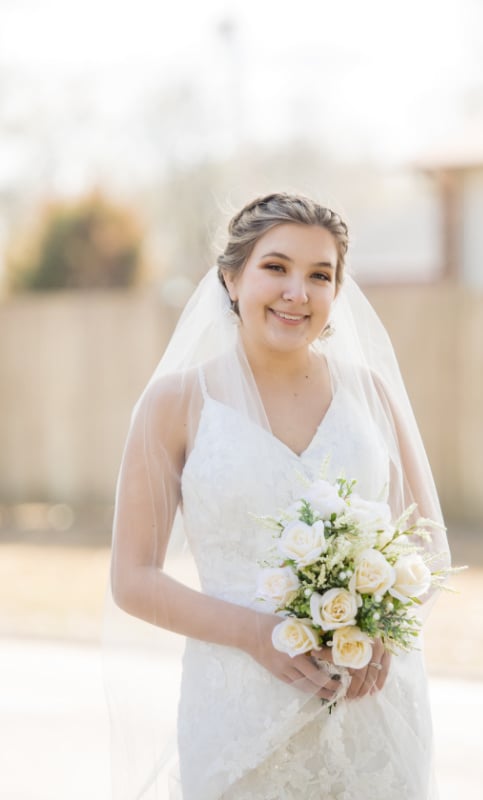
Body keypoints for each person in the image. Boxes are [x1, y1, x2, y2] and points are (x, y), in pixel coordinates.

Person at [107, 192, 450, 799]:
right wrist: (254, 634)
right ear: (231, 278)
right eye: (276, 267)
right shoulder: (176, 405)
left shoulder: (369, 393)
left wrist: (381, 629)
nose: (298, 291)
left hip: (372, 709)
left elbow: (426, 546)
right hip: (238, 712)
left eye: (321, 275)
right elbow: (133, 579)